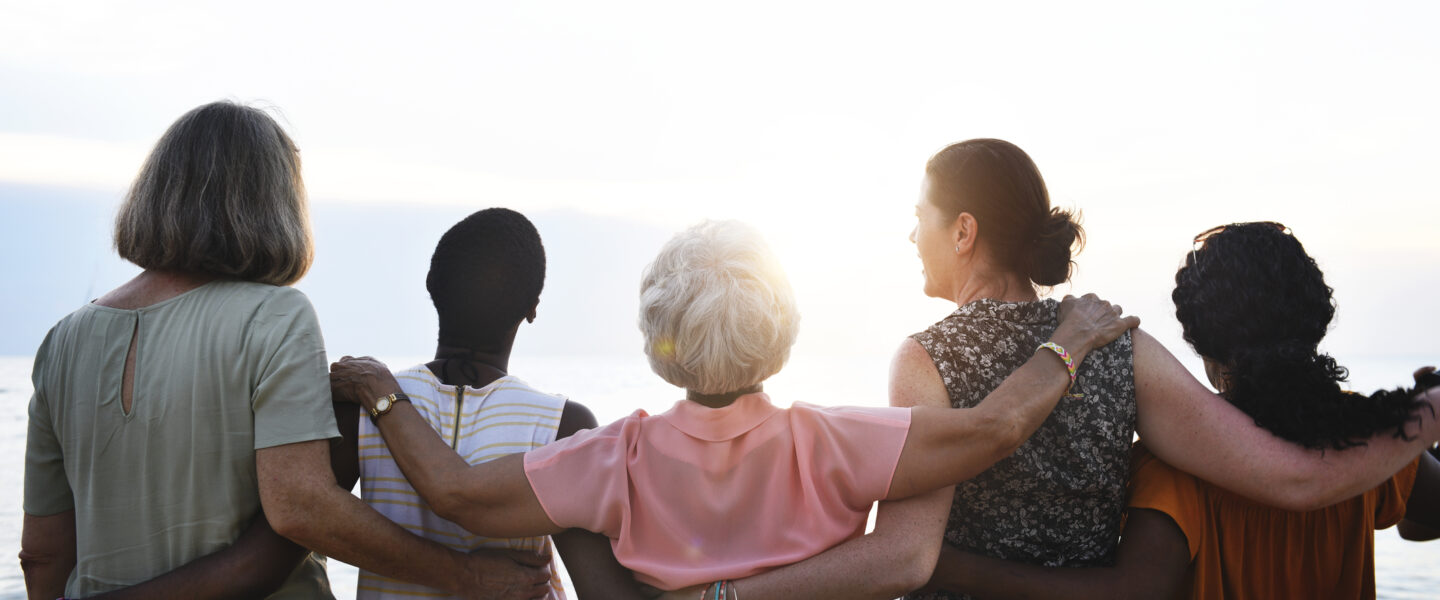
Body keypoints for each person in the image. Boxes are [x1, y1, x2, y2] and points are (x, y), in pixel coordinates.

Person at [657, 139, 1440, 600]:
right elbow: (1284, 471)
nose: (909, 237)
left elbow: (908, 555)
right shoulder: (1117, 340)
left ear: (963, 231)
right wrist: (1415, 414)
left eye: (920, 221)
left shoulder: (925, 358)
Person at [329, 219, 1140, 594]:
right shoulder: (835, 442)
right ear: (780, 329)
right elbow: (996, 428)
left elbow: (455, 492)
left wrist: (382, 391)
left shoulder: (611, 458)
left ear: (657, 333)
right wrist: (1066, 340)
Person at [20, 101, 549, 600]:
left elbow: (42, 557)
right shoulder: (274, 316)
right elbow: (301, 509)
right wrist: (465, 575)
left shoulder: (63, 340)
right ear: (274, 201)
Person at [912, 221, 1440, 599]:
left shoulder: (1180, 465)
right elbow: (1424, 523)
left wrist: (948, 568)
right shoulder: (1368, 438)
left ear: (1200, 338)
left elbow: (1135, 590)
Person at [327, 208, 650, 599]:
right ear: (532, 308)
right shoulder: (561, 425)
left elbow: (310, 523)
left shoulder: (362, 406)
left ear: (432, 286)